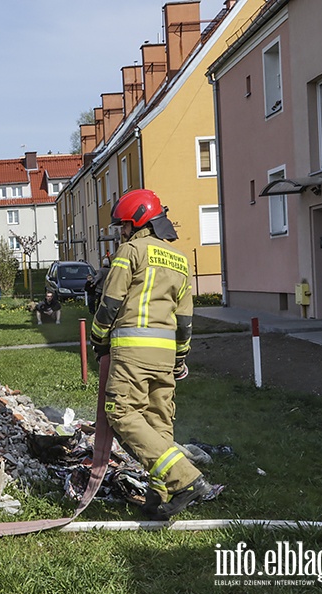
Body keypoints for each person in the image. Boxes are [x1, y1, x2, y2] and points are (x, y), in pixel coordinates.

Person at [89, 188, 211, 520]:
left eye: (124, 225)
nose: (122, 232)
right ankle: (159, 500)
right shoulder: (181, 260)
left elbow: (110, 304)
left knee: (121, 413)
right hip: (166, 355)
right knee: (159, 425)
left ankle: (187, 479)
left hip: (132, 352)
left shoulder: (130, 252)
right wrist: (180, 359)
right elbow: (185, 321)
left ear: (140, 220)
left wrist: (98, 338)